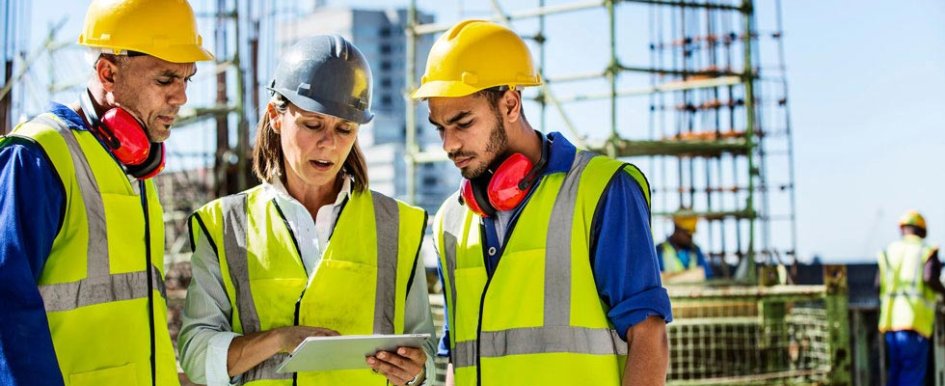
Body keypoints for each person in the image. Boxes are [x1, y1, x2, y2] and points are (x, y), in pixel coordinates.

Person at [413, 20, 672, 386]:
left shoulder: (604, 190)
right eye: (440, 128)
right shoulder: (449, 221)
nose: (448, 145)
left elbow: (649, 337)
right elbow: (461, 358)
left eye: (463, 123)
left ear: (511, 103)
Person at [177, 35, 436, 386]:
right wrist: (280, 340)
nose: (328, 143)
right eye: (312, 125)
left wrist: (417, 371)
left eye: (344, 129)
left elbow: (426, 356)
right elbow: (195, 355)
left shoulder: (397, 226)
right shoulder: (225, 226)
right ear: (275, 117)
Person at [0, 0, 212, 385]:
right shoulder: (38, 157)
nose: (181, 97)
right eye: (166, 80)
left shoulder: (135, 168)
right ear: (108, 73)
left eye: (187, 79)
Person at [878, 210, 945, 386]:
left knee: (896, 373)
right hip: (915, 323)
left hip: (890, 324)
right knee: (911, 375)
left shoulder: (889, 251)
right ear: (922, 231)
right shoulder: (925, 250)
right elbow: (930, 278)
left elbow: (878, 284)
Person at [657, 210, 713, 281]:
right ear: (677, 229)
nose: (690, 237)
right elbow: (657, 279)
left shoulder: (695, 250)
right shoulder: (660, 251)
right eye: (687, 233)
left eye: (691, 234)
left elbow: (707, 276)